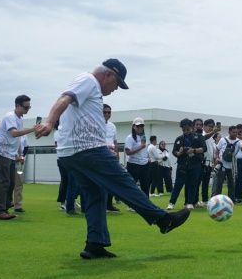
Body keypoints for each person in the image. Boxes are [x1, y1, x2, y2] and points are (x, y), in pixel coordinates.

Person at [34, 59, 190, 259]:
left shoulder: (90, 87)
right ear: (108, 75)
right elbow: (64, 98)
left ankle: (95, 245)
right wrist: (49, 122)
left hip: (71, 152)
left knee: (95, 195)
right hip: (87, 149)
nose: (116, 89)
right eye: (117, 83)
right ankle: (162, 220)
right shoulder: (88, 80)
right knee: (124, 182)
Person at [0, 95, 41, 220]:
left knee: (12, 182)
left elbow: (18, 139)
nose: (28, 109)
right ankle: (0, 211)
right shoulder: (10, 116)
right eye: (26, 107)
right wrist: (31, 129)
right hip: (1, 151)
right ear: (18, 106)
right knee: (4, 182)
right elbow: (14, 133)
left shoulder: (19, 119)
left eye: (29, 107)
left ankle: (5, 207)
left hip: (10, 153)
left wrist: (20, 154)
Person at [168, 118, 205, 210]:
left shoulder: (198, 137)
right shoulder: (179, 139)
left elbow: (204, 148)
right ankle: (171, 203)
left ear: (192, 127)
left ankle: (190, 203)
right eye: (183, 129)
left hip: (195, 164)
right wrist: (179, 153)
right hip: (182, 165)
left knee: (193, 184)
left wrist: (194, 150)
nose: (185, 131)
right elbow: (174, 151)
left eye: (187, 129)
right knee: (178, 185)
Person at [125, 117, 152, 206]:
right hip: (134, 164)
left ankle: (146, 204)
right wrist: (139, 147)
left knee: (145, 185)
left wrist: (148, 157)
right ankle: (131, 204)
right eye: (138, 126)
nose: (140, 128)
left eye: (141, 126)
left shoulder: (143, 137)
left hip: (144, 164)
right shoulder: (130, 138)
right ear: (133, 126)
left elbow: (145, 149)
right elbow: (128, 152)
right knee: (133, 185)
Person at [213, 125, 239, 198]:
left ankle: (231, 199)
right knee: (219, 183)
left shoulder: (239, 142)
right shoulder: (223, 140)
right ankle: (217, 198)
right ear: (229, 132)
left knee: (231, 183)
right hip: (222, 165)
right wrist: (217, 158)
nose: (235, 134)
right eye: (233, 132)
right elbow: (217, 149)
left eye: (236, 132)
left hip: (232, 166)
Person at [103, 104, 121, 209]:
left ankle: (109, 204)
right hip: (101, 156)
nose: (107, 114)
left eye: (109, 112)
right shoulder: (96, 125)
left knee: (111, 180)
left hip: (112, 156)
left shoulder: (112, 126)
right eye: (104, 112)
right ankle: (102, 204)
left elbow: (115, 141)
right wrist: (107, 146)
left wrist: (117, 155)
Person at [12, 134, 28, 213]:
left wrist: (21, 157)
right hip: (9, 161)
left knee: (19, 184)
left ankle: (18, 205)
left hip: (19, 164)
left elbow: (26, 147)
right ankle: (6, 204)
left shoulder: (23, 135)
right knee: (7, 183)